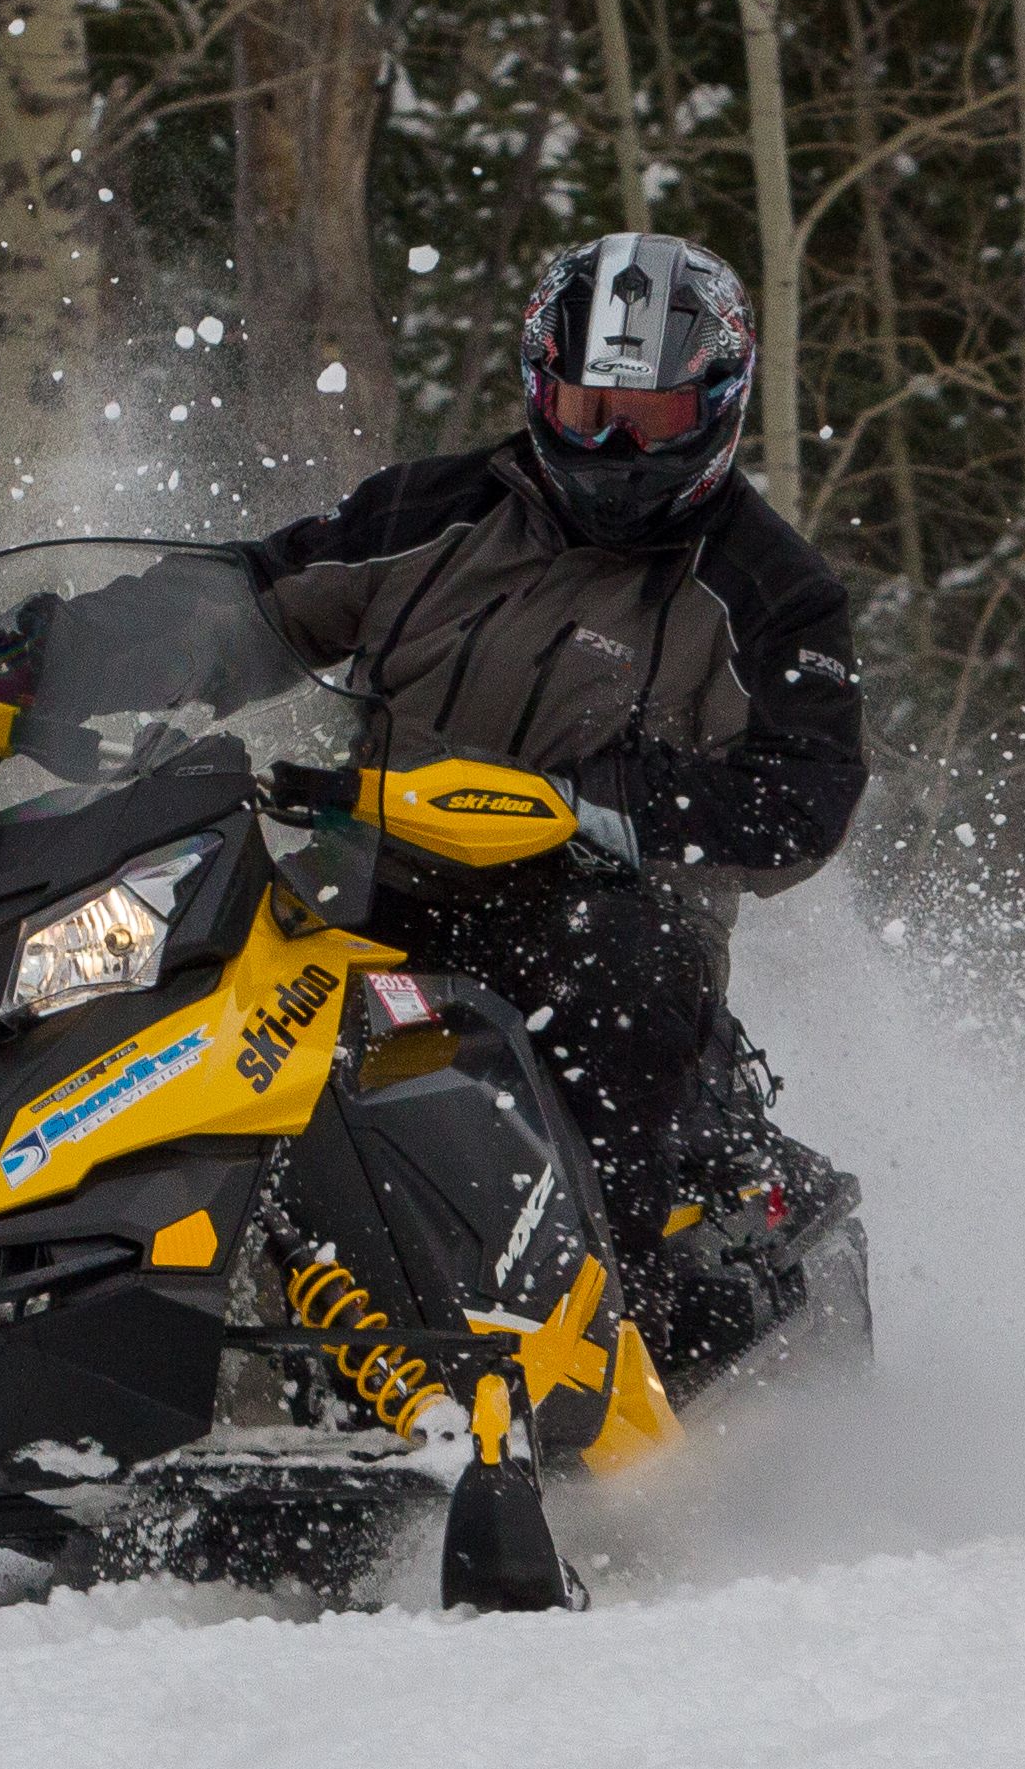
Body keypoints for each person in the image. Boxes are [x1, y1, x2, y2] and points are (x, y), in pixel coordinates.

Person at [240, 232, 867, 1322]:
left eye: (653, 418)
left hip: (594, 918)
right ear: (539, 391)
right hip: (367, 878)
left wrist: (617, 800)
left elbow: (807, 798)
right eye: (587, 410)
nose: (615, 443)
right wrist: (40, 665)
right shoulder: (437, 509)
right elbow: (250, 598)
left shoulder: (771, 591)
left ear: (717, 406)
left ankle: (611, 1315)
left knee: (607, 973)